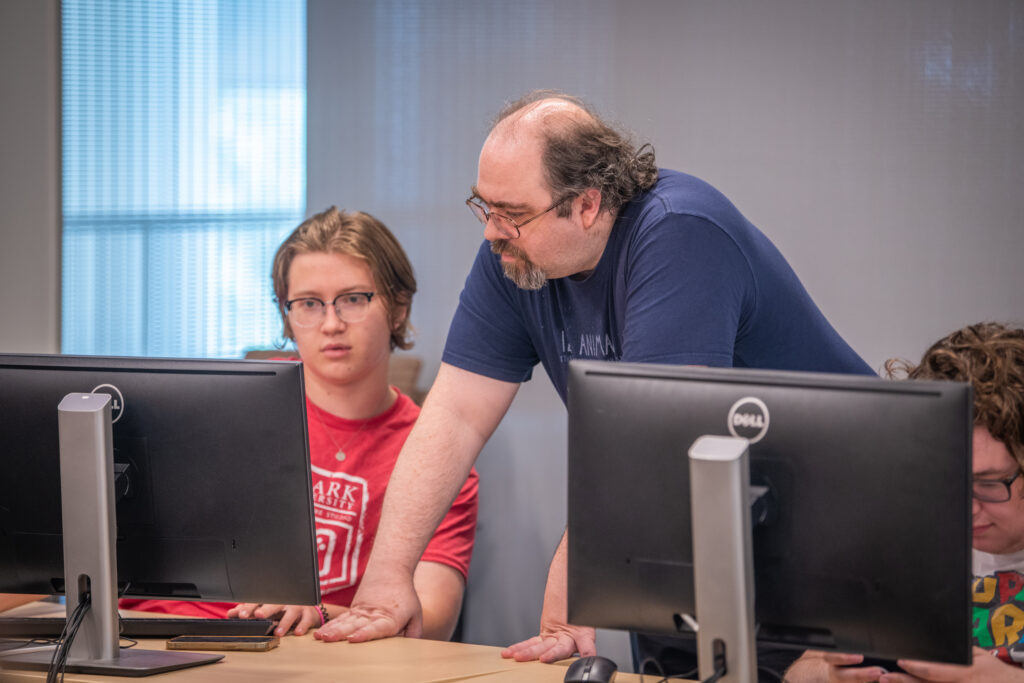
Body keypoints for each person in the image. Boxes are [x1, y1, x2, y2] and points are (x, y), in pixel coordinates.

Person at [314, 90, 872, 667]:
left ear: (586, 203)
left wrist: (569, 591)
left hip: (829, 538)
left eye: (513, 213)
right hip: (688, 535)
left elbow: (649, 440)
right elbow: (455, 414)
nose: (492, 231)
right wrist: (385, 581)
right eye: (484, 207)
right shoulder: (515, 255)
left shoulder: (679, 233)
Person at [119, 207, 479, 641]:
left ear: (399, 308)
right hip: (167, 633)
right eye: (309, 303)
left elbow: (435, 616)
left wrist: (320, 612)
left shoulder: (436, 453)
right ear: (287, 315)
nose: (331, 324)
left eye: (353, 299)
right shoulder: (219, 412)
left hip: (312, 654)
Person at [785, 322, 1024, 683]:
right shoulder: (902, 540)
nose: (964, 507)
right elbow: (802, 669)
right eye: (945, 478)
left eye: (988, 483)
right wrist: (828, 676)